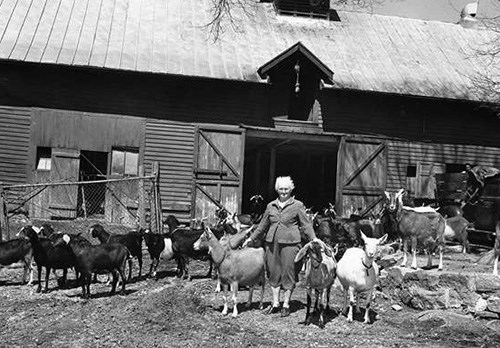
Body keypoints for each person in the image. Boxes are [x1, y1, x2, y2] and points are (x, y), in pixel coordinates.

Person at [242, 176, 319, 317]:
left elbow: (306, 224)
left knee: (288, 272)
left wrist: (313, 238)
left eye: (286, 189)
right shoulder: (270, 206)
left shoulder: (297, 205)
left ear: (291, 190)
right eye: (281, 189)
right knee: (273, 271)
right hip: (272, 244)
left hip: (291, 244)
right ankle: (276, 303)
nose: (283, 191)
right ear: (277, 190)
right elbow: (262, 226)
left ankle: (286, 304)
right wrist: (250, 239)